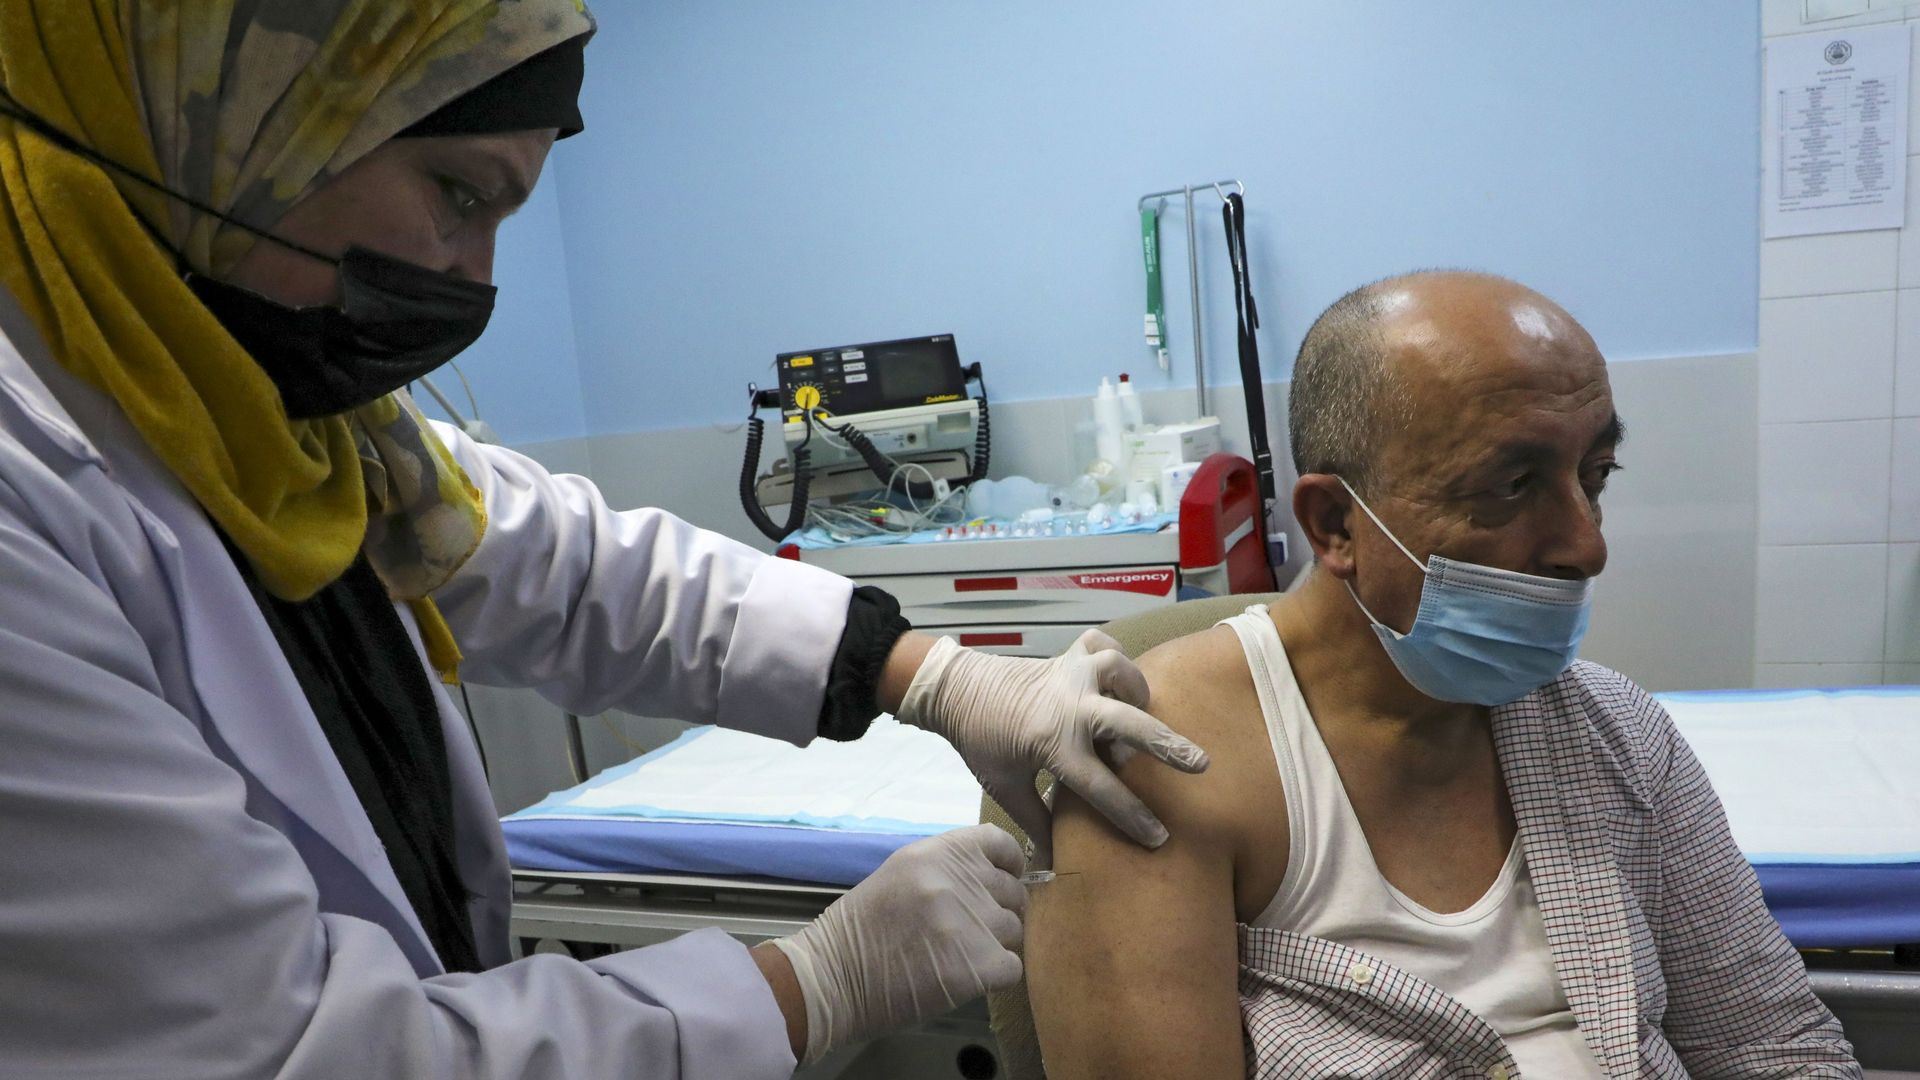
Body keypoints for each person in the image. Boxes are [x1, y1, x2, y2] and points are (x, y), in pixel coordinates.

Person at [0, 4, 1209, 1077]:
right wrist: (814, 982)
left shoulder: (245, 396)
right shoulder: (33, 502)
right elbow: (282, 1050)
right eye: (459, 193)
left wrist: (935, 678)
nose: (477, 278)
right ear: (240, 120)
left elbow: (573, 571)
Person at [1025, 271, 1861, 1079]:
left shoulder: (1613, 732)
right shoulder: (1163, 757)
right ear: (1335, 523)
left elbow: (1774, 1046)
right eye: (1512, 486)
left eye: (1594, 478)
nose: (1587, 546)